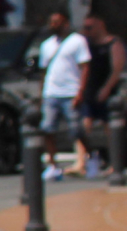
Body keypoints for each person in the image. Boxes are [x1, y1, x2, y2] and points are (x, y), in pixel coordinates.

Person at [34, 10, 90, 179]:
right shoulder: (47, 45)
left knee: (76, 130)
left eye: (57, 22)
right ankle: (53, 165)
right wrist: (42, 93)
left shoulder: (77, 41)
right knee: (47, 129)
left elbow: (85, 67)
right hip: (51, 93)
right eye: (52, 22)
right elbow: (44, 71)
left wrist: (81, 91)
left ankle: (89, 157)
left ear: (66, 23)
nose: (54, 25)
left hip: (71, 92)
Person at [80, 12, 127, 176]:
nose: (87, 30)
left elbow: (117, 68)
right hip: (89, 89)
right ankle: (82, 162)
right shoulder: (86, 44)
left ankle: (116, 163)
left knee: (111, 128)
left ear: (100, 24)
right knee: (83, 126)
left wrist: (107, 88)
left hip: (106, 89)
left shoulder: (113, 43)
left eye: (90, 27)